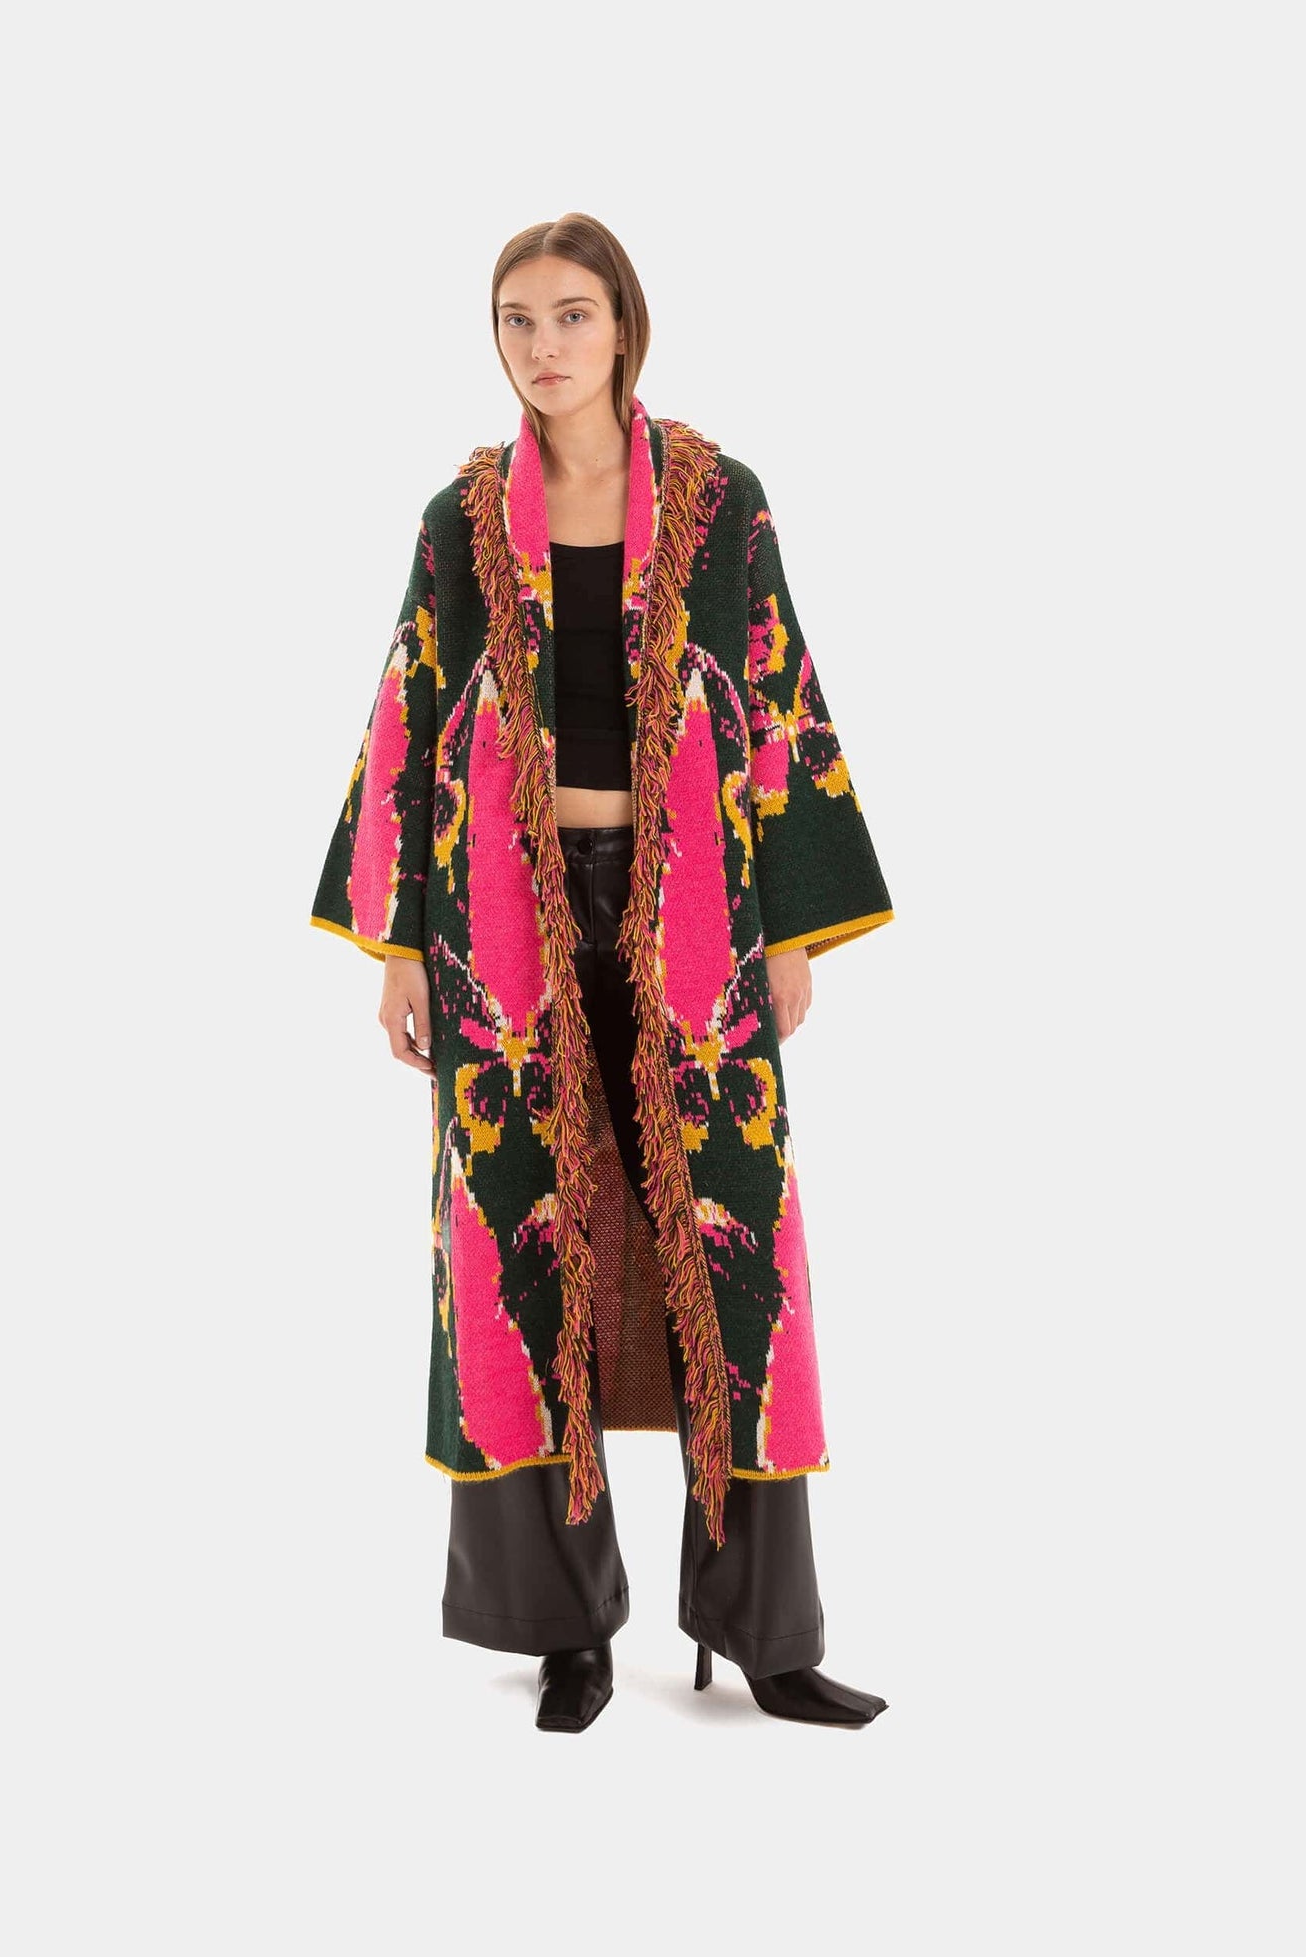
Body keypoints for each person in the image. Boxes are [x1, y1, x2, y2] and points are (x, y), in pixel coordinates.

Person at [310, 212, 895, 1732]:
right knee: (518, 1249)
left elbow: (777, 695)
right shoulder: (460, 520)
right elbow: (408, 715)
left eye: (571, 314)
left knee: (737, 1257)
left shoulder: (717, 500)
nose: (543, 345)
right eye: (517, 319)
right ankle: (564, 1630)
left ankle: (765, 1636)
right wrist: (397, 949)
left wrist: (788, 928)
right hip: (500, 921)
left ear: (624, 325)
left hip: (694, 908)